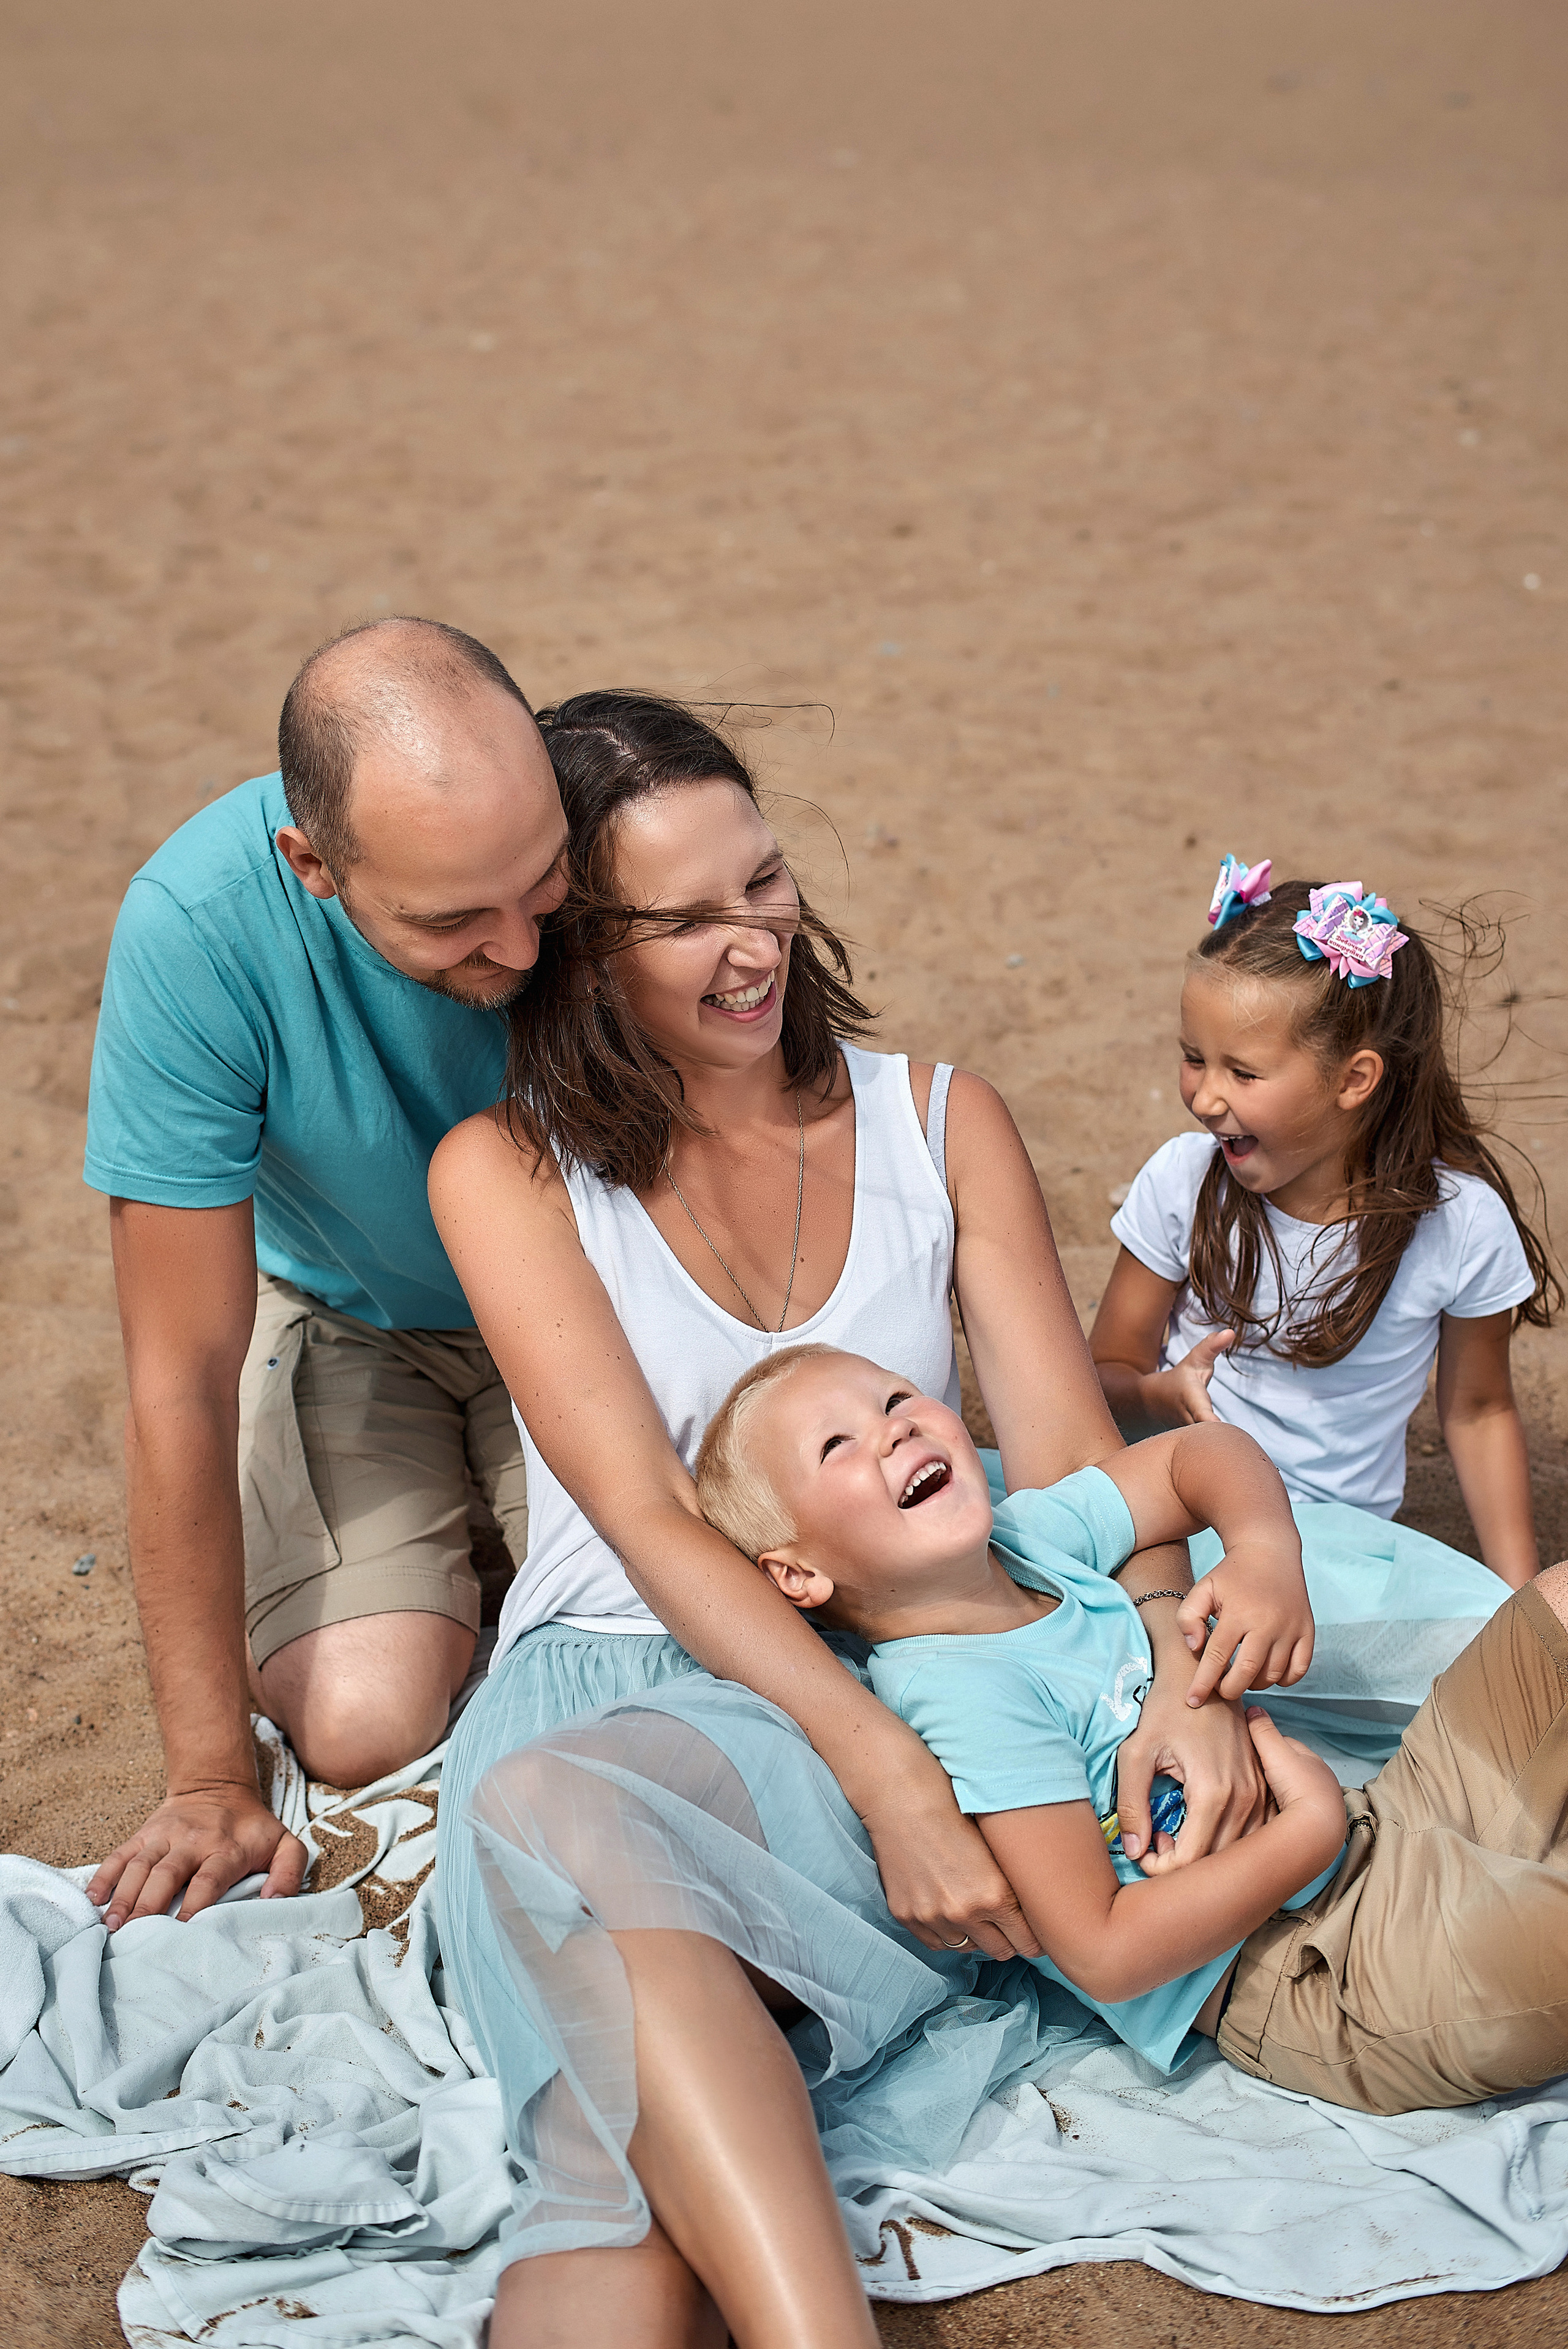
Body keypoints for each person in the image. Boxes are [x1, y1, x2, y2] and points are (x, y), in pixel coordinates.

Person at [428, 692, 1313, 2347]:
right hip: (637, 1683)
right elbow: (641, 1515)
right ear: (580, 949)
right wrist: (880, 1765)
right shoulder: (509, 1170)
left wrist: (1175, 1680)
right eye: (684, 918)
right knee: (608, 2078)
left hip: (912, 1675)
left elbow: (1068, 1474)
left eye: (762, 884)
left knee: (628, 2110)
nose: (753, 942)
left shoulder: (934, 1119)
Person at [697, 1341, 1568, 2117]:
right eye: (836, 1443)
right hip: (1327, 1971)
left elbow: (1196, 1454)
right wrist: (1310, 1832)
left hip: (1392, 1825)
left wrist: (1263, 1546)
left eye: (894, 1399)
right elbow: (1104, 1950)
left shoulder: (1030, 1539)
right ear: (799, 1573)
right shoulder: (962, 1693)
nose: (893, 1429)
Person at [82, 616, 570, 1931]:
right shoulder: (195, 929)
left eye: (542, 884)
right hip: (356, 1318)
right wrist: (206, 1775)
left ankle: (477, 1539)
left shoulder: (606, 827)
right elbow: (177, 1372)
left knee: (674, 1643)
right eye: (452, 920)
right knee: (362, 1720)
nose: (520, 952)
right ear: (313, 866)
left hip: (590, 1305)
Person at [1090, 858, 1559, 1586]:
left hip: (1335, 1559)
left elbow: (1478, 1410)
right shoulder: (1184, 1181)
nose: (1206, 1098)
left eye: (1241, 1073)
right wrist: (1157, 1393)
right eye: (1192, 1059)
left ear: (1353, 1079)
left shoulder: (1459, 1224)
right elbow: (1104, 1370)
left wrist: (1516, 1597)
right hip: (1180, 1519)